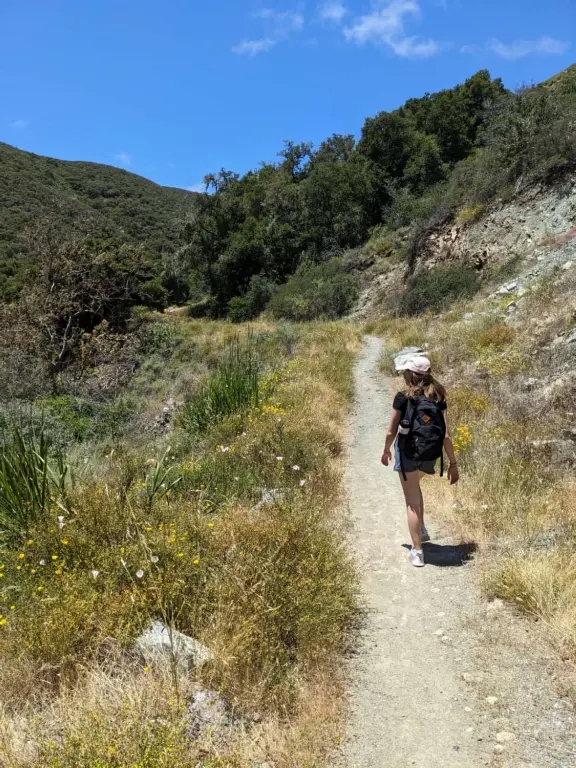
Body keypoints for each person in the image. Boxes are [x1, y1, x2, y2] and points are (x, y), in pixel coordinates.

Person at [381, 355, 459, 567]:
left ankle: (417, 552)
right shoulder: (438, 396)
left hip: (407, 452)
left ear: (409, 374)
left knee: (411, 501)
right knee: (416, 488)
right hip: (429, 453)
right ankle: (421, 528)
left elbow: (391, 431)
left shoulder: (402, 397)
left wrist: (386, 451)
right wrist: (453, 463)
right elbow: (445, 435)